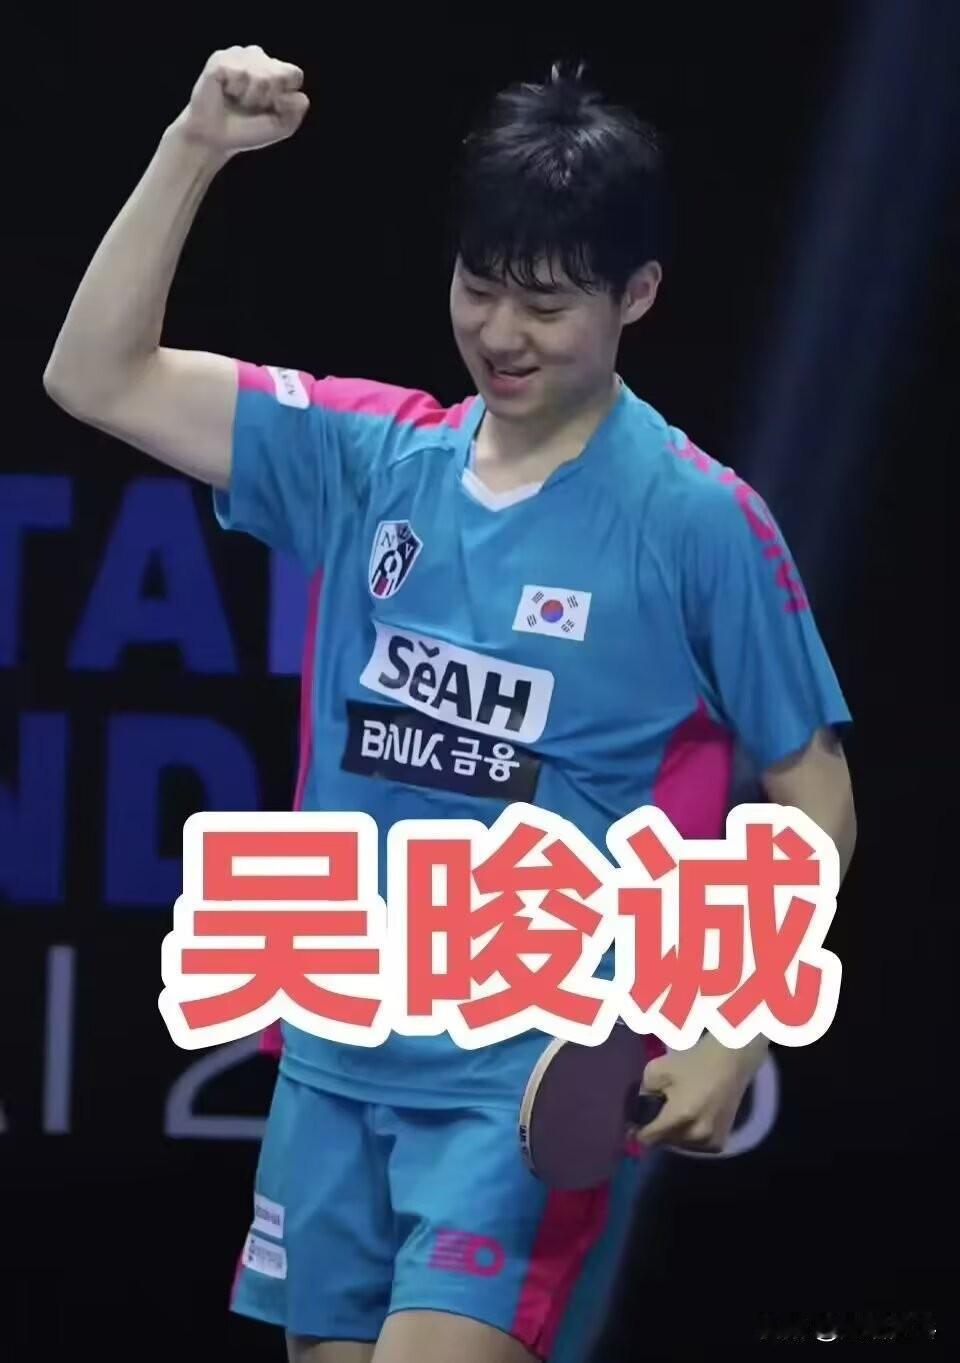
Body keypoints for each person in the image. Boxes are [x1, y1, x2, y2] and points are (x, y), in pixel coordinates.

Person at [43, 45, 857, 1363]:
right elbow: (97, 376)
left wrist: (736, 1025)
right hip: (334, 1055)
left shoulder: (698, 520)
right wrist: (194, 146)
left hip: (525, 1082)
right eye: (480, 288)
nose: (500, 334)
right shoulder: (370, 458)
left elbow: (815, 793)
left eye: (547, 304)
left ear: (638, 294)